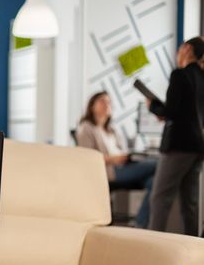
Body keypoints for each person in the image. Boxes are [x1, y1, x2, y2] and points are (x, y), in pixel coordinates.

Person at [147, 37, 204, 236]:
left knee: (160, 197)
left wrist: (153, 105)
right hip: (198, 146)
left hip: (178, 145)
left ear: (187, 49)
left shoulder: (180, 75)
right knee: (190, 202)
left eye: (180, 48)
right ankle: (195, 249)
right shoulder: (202, 77)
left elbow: (170, 111)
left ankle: (152, 246)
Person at [77, 91, 156, 228]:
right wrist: (114, 159)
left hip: (123, 166)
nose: (107, 104)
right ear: (92, 106)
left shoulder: (112, 131)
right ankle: (141, 224)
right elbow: (87, 157)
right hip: (109, 171)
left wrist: (125, 157)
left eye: (109, 102)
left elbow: (121, 150)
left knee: (155, 181)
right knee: (159, 163)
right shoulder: (86, 128)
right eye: (102, 101)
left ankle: (141, 224)